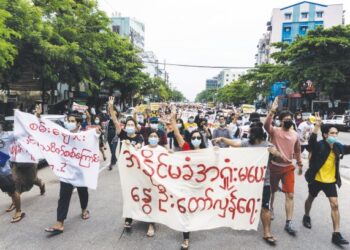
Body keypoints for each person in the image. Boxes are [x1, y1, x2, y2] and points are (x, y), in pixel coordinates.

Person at [213, 122, 280, 245]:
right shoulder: (246, 144)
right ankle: (241, 222)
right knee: (243, 202)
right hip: (248, 182)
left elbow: (279, 155)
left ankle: (267, 232)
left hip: (263, 183)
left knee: (265, 207)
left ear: (258, 135)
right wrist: (222, 139)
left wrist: (274, 152)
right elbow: (234, 143)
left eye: (251, 134)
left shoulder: (268, 146)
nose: (249, 136)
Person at [303, 113, 350, 246]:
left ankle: (336, 234)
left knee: (335, 204)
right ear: (325, 135)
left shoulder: (338, 147)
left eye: (336, 133)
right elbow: (310, 144)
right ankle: (306, 215)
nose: (335, 135)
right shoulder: (319, 145)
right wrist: (316, 127)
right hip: (316, 179)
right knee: (310, 198)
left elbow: (348, 148)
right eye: (332, 133)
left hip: (330, 181)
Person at [45, 112, 93, 235]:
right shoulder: (63, 134)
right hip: (67, 171)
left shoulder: (84, 135)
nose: (68, 123)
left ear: (78, 124)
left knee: (83, 192)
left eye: (71, 121)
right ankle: (60, 222)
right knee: (64, 196)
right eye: (68, 120)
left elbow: (94, 139)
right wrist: (38, 118)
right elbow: (46, 131)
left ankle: (84, 210)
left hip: (81, 171)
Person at [264, 97, 302, 236]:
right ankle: (271, 207)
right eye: (285, 118)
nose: (288, 120)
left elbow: (297, 150)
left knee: (290, 195)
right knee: (272, 192)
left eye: (289, 119)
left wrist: (299, 163)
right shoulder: (274, 131)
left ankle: (289, 222)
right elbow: (266, 126)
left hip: (288, 168)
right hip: (274, 167)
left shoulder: (295, 135)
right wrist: (272, 111)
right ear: (280, 120)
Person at [171, 111, 206, 250]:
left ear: (201, 139)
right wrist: (173, 118)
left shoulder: (206, 152)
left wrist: (216, 152)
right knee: (186, 211)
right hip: (186, 185)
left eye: (198, 137)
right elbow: (177, 133)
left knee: (195, 210)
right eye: (194, 137)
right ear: (191, 139)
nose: (196, 139)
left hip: (200, 186)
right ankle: (186, 239)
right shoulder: (186, 148)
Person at [108, 96, 144, 229]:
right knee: (128, 194)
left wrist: (134, 146)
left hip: (138, 171)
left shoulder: (139, 137)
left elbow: (139, 147)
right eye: (128, 125)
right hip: (127, 172)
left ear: (135, 127)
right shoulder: (122, 135)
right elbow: (115, 121)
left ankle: (141, 213)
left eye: (132, 125)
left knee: (139, 192)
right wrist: (111, 108)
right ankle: (129, 218)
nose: (129, 127)